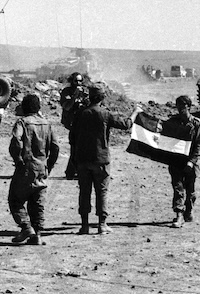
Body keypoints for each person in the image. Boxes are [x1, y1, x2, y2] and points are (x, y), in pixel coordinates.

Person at [70, 84, 130, 235]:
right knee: (102, 191)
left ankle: (84, 226)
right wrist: (135, 113)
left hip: (83, 159)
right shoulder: (105, 114)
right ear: (103, 97)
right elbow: (126, 125)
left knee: (84, 192)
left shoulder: (80, 113)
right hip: (101, 159)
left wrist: (74, 158)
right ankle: (102, 225)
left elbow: (72, 137)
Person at [8, 94, 59, 245]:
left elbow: (16, 140)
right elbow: (55, 147)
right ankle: (37, 234)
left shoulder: (22, 123)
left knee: (15, 200)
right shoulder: (47, 124)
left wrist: (17, 159)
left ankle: (25, 227)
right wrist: (49, 165)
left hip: (26, 167)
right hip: (42, 167)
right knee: (37, 202)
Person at [166, 95, 200, 228]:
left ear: (189, 107)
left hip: (190, 161)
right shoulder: (172, 122)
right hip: (176, 160)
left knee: (190, 189)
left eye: (183, 107)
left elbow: (198, 145)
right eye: (178, 107)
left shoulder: (196, 124)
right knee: (178, 188)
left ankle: (189, 209)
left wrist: (192, 161)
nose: (180, 110)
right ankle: (179, 214)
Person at [59, 72, 89, 179]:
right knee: (75, 147)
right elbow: (66, 106)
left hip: (83, 123)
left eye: (80, 81)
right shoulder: (67, 92)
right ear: (72, 81)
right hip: (72, 123)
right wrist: (74, 96)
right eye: (76, 81)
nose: (78, 83)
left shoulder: (84, 91)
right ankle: (71, 172)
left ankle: (74, 171)